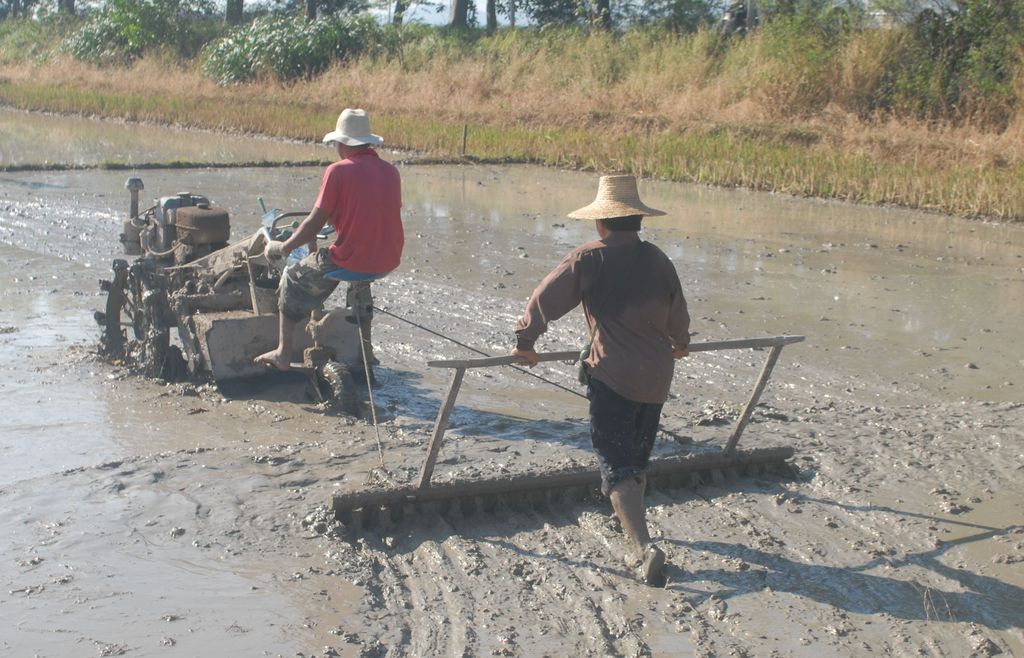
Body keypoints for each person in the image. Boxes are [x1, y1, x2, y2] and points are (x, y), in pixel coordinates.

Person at [511, 175, 690, 587]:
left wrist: (525, 341)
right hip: (659, 374)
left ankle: (645, 547)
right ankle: (626, 516)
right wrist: (679, 344)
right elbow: (678, 315)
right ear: (637, 220)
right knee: (638, 456)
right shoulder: (660, 260)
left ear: (600, 222)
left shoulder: (588, 258)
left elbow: (545, 299)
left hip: (613, 374)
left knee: (616, 466)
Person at [255, 108, 403, 371]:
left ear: (343, 143)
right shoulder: (391, 172)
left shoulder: (338, 171)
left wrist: (283, 247)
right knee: (359, 282)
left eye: (337, 143)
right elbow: (372, 212)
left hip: (354, 258)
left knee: (291, 278)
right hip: (388, 258)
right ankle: (365, 351)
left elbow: (314, 223)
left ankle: (283, 353)